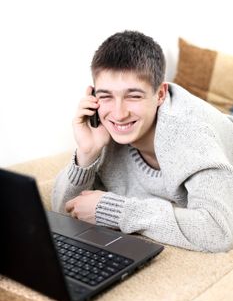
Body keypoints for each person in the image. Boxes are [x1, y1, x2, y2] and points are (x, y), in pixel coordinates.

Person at [52, 30, 233, 253]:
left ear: (160, 94)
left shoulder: (191, 133)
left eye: (133, 96)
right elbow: (64, 211)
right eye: (106, 96)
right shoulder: (106, 131)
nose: (118, 114)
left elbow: (218, 232)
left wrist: (116, 210)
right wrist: (87, 153)